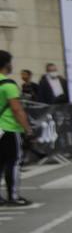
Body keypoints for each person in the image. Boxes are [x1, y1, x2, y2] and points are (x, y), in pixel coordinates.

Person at [0, 51, 32, 207]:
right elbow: (17, 110)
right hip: (9, 128)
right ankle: (13, 195)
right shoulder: (8, 85)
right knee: (13, 162)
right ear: (7, 64)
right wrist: (28, 129)